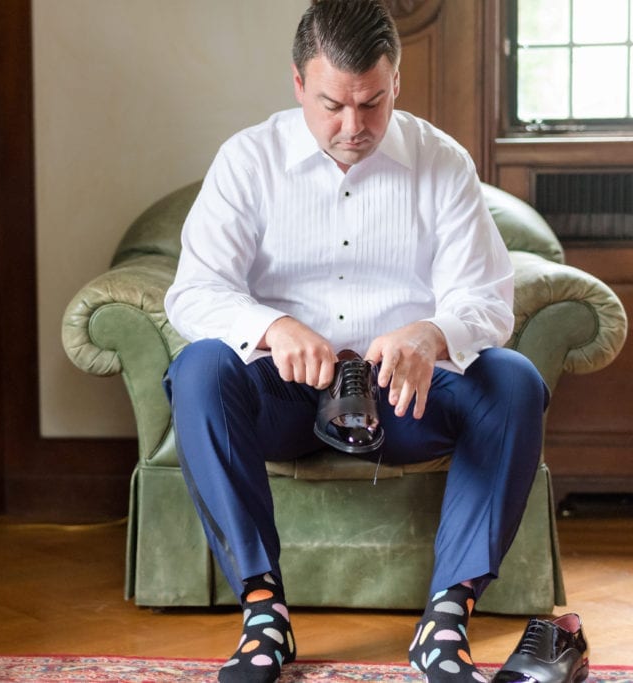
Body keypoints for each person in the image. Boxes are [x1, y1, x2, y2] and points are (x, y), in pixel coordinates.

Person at [161, 1, 549, 682]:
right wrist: (270, 326)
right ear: (297, 84)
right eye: (332, 104)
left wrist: (432, 333)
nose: (353, 126)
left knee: (514, 378)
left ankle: (447, 619)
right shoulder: (247, 161)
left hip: (405, 398)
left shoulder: (442, 162)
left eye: (371, 103)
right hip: (279, 398)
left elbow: (487, 299)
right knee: (197, 368)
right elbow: (191, 292)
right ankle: (263, 615)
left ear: (395, 82)